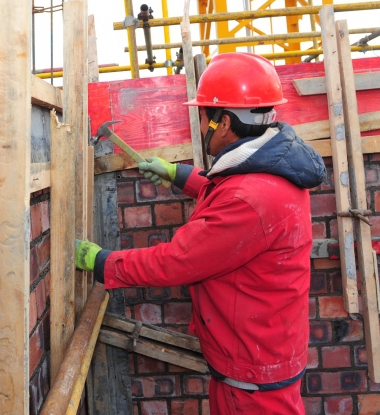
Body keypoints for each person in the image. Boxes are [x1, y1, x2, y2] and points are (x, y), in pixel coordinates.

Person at [76, 52, 326, 414]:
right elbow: (231, 206)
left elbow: (179, 261)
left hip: (252, 379)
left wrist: (101, 262)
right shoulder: (268, 170)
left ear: (224, 123)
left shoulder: (251, 198)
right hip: (256, 355)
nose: (200, 120)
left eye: (203, 115)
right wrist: (177, 174)